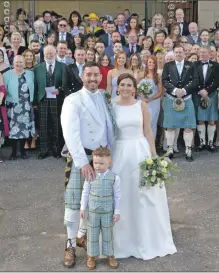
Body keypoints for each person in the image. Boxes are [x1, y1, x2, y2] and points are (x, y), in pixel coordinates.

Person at [111, 73, 177, 260]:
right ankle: (123, 239)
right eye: (122, 85)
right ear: (118, 87)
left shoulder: (142, 105)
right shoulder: (113, 106)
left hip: (140, 151)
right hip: (121, 152)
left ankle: (148, 236)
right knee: (123, 194)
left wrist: (154, 156)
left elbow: (148, 131)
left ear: (134, 88)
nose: (125, 88)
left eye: (129, 85)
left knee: (144, 194)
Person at [60, 62, 115, 268]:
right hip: (81, 157)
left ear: (100, 78)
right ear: (82, 77)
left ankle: (82, 236)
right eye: (88, 75)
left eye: (95, 75)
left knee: (95, 202)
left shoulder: (104, 97)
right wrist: (82, 162)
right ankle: (70, 245)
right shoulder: (73, 100)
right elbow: (70, 133)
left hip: (102, 157)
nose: (92, 79)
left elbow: (110, 126)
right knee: (74, 202)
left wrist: (111, 156)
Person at [80, 147, 121, 270]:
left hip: (108, 211)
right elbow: (85, 192)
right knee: (92, 233)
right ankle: (91, 256)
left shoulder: (115, 178)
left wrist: (117, 212)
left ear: (109, 163)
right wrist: (82, 208)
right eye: (95, 163)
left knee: (107, 233)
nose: (98, 166)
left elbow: (118, 196)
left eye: (101, 163)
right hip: (93, 211)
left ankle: (110, 255)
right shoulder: (90, 176)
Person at [161, 46, 198, 161]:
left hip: (186, 98)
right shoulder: (168, 65)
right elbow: (164, 80)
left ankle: (188, 150)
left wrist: (185, 90)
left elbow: (195, 80)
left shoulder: (191, 65)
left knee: (188, 126)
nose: (178, 54)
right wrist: (175, 91)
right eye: (176, 52)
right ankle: (170, 149)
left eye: (180, 52)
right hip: (171, 98)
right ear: (174, 54)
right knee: (170, 125)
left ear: (184, 54)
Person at [33, 45, 65, 159]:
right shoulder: (37, 68)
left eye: (51, 53)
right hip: (43, 99)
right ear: (44, 55)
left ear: (55, 53)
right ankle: (44, 150)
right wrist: (35, 101)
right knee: (43, 126)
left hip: (57, 99)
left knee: (57, 125)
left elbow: (65, 84)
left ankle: (57, 149)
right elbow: (35, 85)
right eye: (47, 54)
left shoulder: (63, 67)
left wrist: (60, 90)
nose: (49, 55)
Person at [3, 55, 36, 159]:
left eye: (21, 62)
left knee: (24, 129)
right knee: (13, 130)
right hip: (13, 106)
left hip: (26, 105)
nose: (19, 64)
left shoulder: (30, 74)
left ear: (24, 63)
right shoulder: (7, 74)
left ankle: (22, 151)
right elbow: (3, 90)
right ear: (13, 63)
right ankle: (13, 152)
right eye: (17, 62)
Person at [193, 46, 219, 152]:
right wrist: (200, 90)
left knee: (211, 119)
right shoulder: (194, 65)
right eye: (200, 52)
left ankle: (210, 143)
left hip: (212, 94)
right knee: (200, 119)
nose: (202, 54)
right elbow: (193, 79)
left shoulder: (216, 65)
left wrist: (207, 91)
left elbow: (217, 80)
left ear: (210, 54)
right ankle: (202, 143)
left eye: (205, 52)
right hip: (198, 94)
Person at [140, 55, 164, 138]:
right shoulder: (142, 75)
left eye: (153, 62)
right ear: (147, 63)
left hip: (154, 102)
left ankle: (151, 147)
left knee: (151, 123)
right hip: (143, 102)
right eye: (150, 62)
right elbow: (137, 88)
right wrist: (142, 97)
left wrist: (150, 99)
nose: (151, 64)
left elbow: (160, 91)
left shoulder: (158, 76)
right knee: (143, 123)